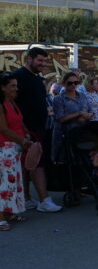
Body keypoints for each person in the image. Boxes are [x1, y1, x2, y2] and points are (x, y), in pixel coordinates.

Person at [12, 48, 62, 212]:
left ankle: (26, 198)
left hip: (39, 127)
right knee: (36, 163)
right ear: (29, 59)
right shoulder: (18, 77)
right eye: (40, 61)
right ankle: (44, 200)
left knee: (27, 164)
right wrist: (23, 128)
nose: (43, 64)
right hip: (27, 129)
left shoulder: (36, 79)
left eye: (45, 61)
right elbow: (13, 103)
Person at [0, 73, 28, 231]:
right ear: (3, 87)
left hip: (15, 147)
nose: (16, 89)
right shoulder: (1, 105)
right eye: (12, 86)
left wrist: (27, 135)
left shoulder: (12, 103)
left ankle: (11, 212)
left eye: (16, 85)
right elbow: (3, 128)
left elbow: (20, 123)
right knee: (6, 183)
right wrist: (22, 140)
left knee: (16, 181)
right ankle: (0, 216)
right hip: (5, 147)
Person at [52, 72, 92, 164]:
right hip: (64, 136)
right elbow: (60, 118)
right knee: (65, 163)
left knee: (83, 161)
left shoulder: (83, 96)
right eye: (70, 83)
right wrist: (79, 113)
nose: (73, 85)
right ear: (63, 84)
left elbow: (90, 112)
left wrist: (86, 117)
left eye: (76, 83)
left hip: (81, 135)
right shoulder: (59, 99)